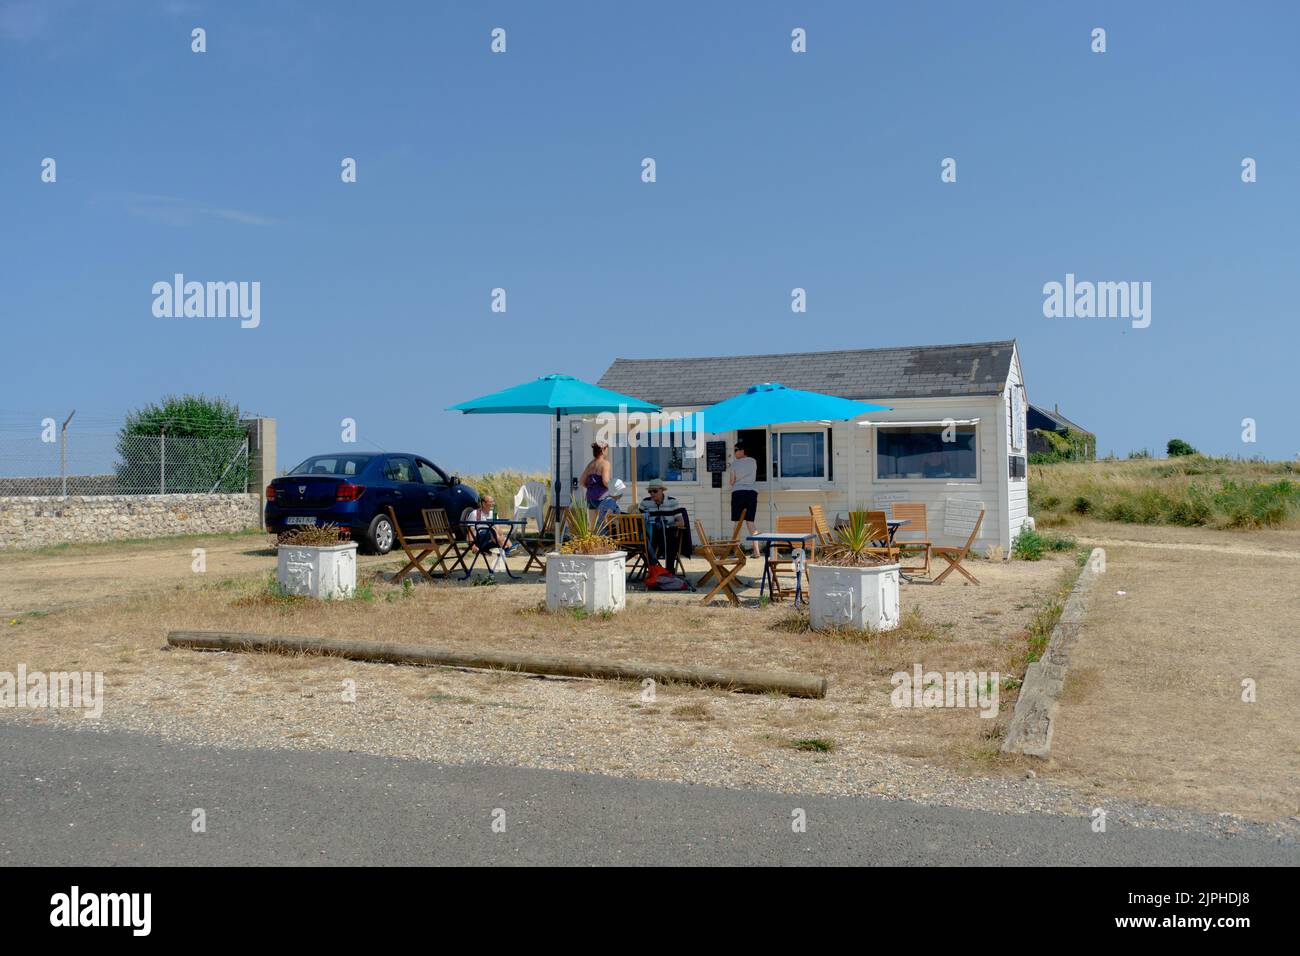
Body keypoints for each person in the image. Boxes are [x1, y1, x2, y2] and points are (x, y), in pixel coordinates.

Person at [640, 479, 687, 570]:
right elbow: (639, 519)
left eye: (655, 491)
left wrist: (667, 525)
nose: (652, 494)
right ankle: (654, 569)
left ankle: (668, 570)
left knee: (670, 538)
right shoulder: (645, 502)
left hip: (668, 530)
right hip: (652, 532)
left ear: (662, 490)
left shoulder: (672, 501)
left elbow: (681, 522)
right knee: (644, 542)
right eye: (650, 491)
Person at [729, 440, 761, 558]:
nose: (735, 452)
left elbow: (732, 482)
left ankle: (737, 551)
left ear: (742, 451)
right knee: (750, 522)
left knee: (737, 523)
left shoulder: (734, 464)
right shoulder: (753, 461)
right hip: (752, 493)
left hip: (738, 493)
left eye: (736, 450)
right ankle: (757, 552)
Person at [578, 441, 611, 517]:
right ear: (603, 450)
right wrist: (613, 487)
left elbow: (581, 481)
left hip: (590, 498)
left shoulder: (590, 464)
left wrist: (591, 487)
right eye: (607, 449)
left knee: (592, 526)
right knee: (604, 524)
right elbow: (605, 481)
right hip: (601, 497)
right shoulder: (605, 463)